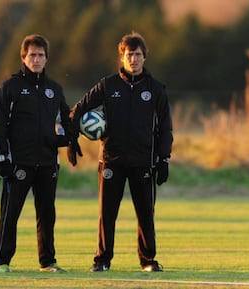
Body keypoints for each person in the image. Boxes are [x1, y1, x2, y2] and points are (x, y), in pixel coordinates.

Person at [67, 32, 173, 272]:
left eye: (137, 54)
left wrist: (164, 158)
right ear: (122, 57)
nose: (133, 59)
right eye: (129, 55)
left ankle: (147, 261)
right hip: (111, 161)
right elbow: (77, 110)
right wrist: (71, 139)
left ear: (144, 57)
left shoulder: (155, 89)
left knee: (146, 214)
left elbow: (166, 126)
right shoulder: (108, 85)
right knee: (107, 214)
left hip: (143, 161)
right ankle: (102, 260)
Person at [0, 34, 75, 273]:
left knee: (47, 214)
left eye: (40, 55)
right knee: (10, 213)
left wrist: (63, 140)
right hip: (19, 162)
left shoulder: (54, 89)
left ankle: (47, 261)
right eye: (32, 55)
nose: (36, 59)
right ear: (23, 57)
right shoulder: (10, 88)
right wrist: (1, 157)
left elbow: (68, 121)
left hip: (48, 162)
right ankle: (3, 261)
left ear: (46, 58)